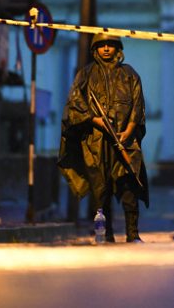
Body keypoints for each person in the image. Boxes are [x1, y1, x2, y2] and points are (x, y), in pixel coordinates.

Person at [58, 33, 149, 242]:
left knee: (129, 187)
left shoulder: (129, 74)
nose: (106, 48)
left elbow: (138, 105)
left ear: (118, 48)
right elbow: (75, 103)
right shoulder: (86, 74)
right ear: (95, 48)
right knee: (101, 190)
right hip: (96, 143)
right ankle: (105, 234)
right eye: (102, 45)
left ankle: (133, 233)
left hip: (126, 142)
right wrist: (94, 120)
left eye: (111, 44)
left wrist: (129, 130)